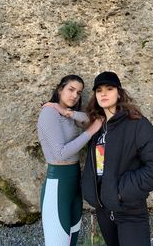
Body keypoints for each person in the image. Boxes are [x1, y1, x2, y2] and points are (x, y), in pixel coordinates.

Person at [81, 71, 153, 246]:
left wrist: (122, 191)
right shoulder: (97, 127)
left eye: (109, 88)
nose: (103, 93)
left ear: (119, 93)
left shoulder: (137, 124)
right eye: (99, 90)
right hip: (103, 210)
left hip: (130, 211)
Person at [37, 75, 102, 246]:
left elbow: (95, 120)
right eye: (70, 90)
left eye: (79, 93)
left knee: (72, 240)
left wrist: (68, 112)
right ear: (60, 90)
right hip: (57, 185)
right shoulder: (48, 113)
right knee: (57, 242)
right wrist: (90, 133)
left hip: (73, 185)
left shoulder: (68, 115)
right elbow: (60, 153)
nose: (74, 95)